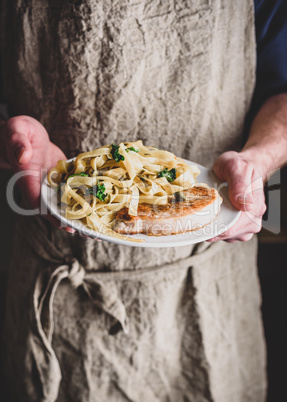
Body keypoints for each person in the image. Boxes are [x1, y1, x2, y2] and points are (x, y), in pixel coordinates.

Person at [0, 0, 287, 401]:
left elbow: (282, 89)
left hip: (209, 278)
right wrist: (10, 140)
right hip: (59, 274)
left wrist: (257, 161)